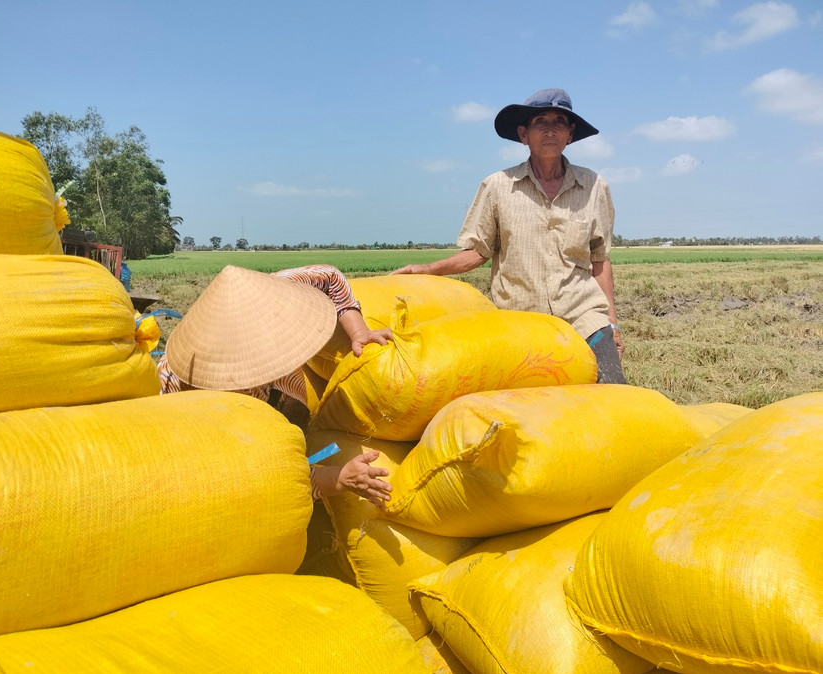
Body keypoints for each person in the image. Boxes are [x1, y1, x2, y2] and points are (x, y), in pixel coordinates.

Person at [392, 88, 626, 384]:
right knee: (525, 400)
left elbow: (600, 260)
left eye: (559, 122)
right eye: (540, 121)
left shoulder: (594, 186)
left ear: (570, 133)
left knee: (611, 387)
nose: (550, 130)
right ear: (523, 134)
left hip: (584, 316)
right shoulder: (497, 187)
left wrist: (612, 324)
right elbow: (478, 251)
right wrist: (428, 269)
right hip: (519, 320)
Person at [156, 263, 394, 507]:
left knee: (298, 420)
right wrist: (337, 479)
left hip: (277, 392)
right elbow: (251, 474)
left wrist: (358, 331)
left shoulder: (274, 290)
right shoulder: (199, 392)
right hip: (233, 427)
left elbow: (332, 278)